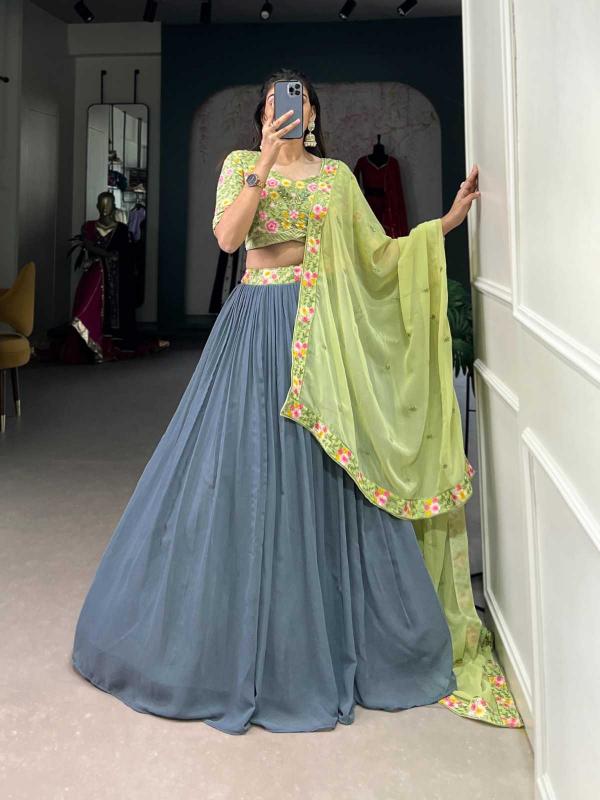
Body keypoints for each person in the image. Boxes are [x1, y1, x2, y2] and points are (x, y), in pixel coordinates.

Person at [71, 69, 523, 734]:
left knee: (323, 473)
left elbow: (376, 256)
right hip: (254, 327)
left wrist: (446, 225)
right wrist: (262, 161)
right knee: (236, 470)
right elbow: (229, 240)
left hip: (322, 331)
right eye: (278, 101)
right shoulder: (239, 166)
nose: (290, 108)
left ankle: (329, 636)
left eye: (301, 100)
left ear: (312, 115)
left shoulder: (336, 178)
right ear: (264, 114)